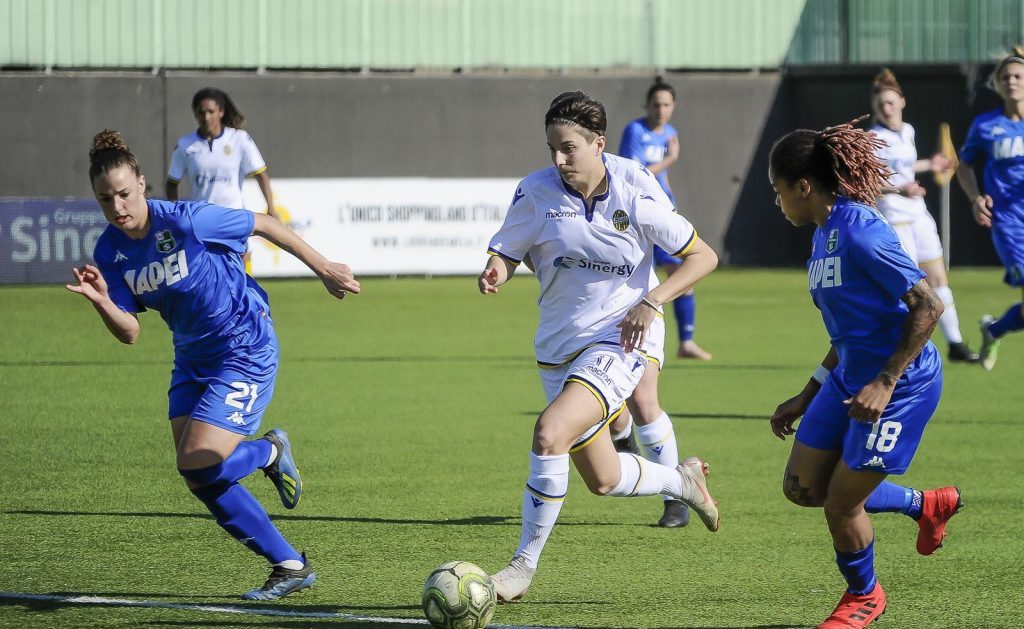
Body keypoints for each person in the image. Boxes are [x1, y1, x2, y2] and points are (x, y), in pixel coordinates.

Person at [68, 130, 361, 600]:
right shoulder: (110, 251)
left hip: (244, 345)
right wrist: (103, 301)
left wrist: (324, 268)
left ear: (142, 183)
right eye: (105, 199)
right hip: (191, 357)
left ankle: (267, 453)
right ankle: (289, 565)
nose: (117, 206)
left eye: (124, 193)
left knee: (196, 460)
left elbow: (264, 224)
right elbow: (130, 332)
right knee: (197, 474)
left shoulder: (187, 220)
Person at [478, 91, 721, 603]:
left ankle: (521, 567)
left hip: (622, 336)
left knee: (550, 433)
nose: (558, 159)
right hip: (559, 345)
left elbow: (703, 256)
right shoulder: (535, 191)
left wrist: (651, 301)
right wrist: (497, 269)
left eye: (568, 148)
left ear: (598, 144)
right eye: (552, 148)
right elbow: (509, 250)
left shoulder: (635, 188)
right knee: (605, 479)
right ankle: (681, 483)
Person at [768, 118, 962, 629]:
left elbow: (928, 305)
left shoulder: (860, 230)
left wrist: (886, 380)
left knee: (840, 504)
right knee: (802, 487)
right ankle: (925, 504)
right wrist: (808, 392)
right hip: (848, 378)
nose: (777, 201)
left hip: (901, 386)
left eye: (778, 190)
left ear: (803, 187)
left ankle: (865, 596)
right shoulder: (822, 235)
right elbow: (848, 331)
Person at [870, 68, 978, 363]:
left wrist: (930, 164)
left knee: (938, 278)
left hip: (918, 214)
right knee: (909, 287)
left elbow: (902, 166)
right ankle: (900, 349)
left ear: (902, 102)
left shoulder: (908, 131)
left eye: (891, 102)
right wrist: (898, 189)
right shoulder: (873, 138)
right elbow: (867, 182)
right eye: (881, 104)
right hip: (895, 217)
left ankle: (955, 343)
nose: (886, 108)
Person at [619, 77, 712, 361]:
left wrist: (669, 198)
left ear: (673, 107)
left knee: (682, 277)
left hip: (661, 213)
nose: (661, 110)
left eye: (666, 105)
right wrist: (670, 159)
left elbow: (660, 177)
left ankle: (686, 342)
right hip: (638, 216)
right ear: (647, 105)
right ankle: (626, 337)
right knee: (639, 278)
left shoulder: (670, 132)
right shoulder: (635, 131)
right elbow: (633, 173)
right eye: (656, 104)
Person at [956, 47, 1024, 370]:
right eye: (1005, 77)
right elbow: (964, 166)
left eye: (1018, 76)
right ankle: (994, 330)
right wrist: (976, 198)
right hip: (1010, 225)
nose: (1012, 81)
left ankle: (993, 329)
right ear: (997, 84)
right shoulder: (986, 125)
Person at [165, 87, 277, 269]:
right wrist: (174, 215)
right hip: (202, 221)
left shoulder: (239, 139)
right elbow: (172, 183)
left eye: (211, 111)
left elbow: (261, 175)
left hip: (235, 217)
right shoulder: (185, 145)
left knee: (241, 275)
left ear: (221, 112)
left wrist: (271, 208)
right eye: (201, 112)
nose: (206, 117)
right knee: (208, 277)